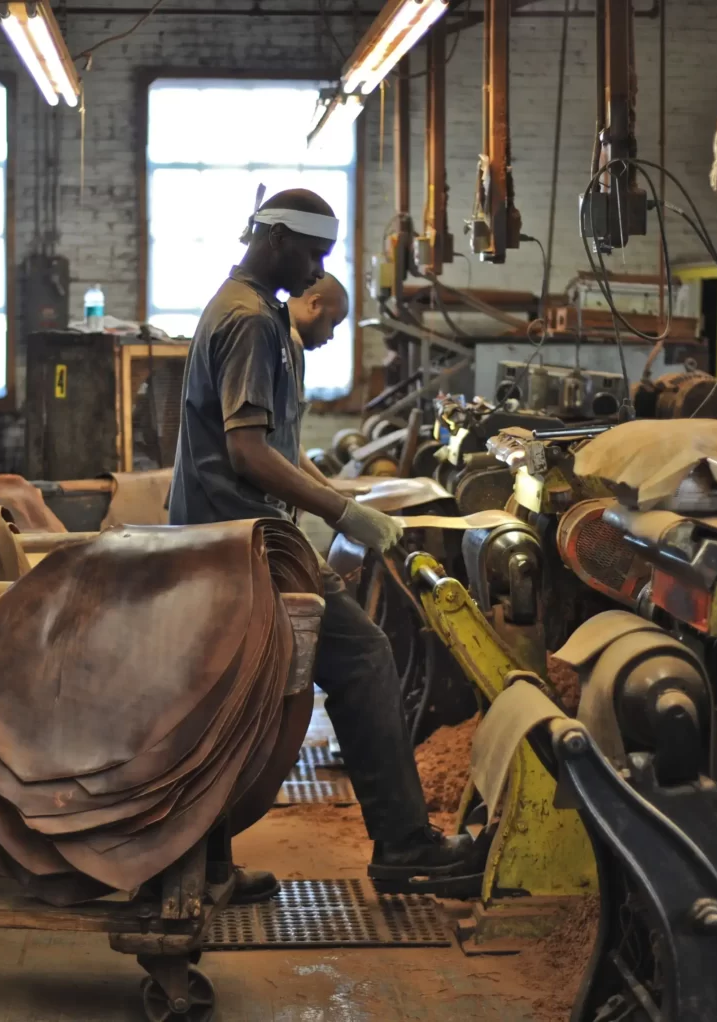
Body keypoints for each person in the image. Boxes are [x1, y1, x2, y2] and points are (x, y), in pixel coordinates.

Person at [168, 187, 478, 898]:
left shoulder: (254, 312)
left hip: (229, 533)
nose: (316, 271)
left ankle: (207, 868)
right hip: (243, 542)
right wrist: (344, 515)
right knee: (364, 656)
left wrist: (339, 495)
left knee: (228, 699)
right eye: (312, 253)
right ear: (274, 237)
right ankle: (403, 845)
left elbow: (269, 443)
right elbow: (247, 454)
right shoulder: (247, 320)